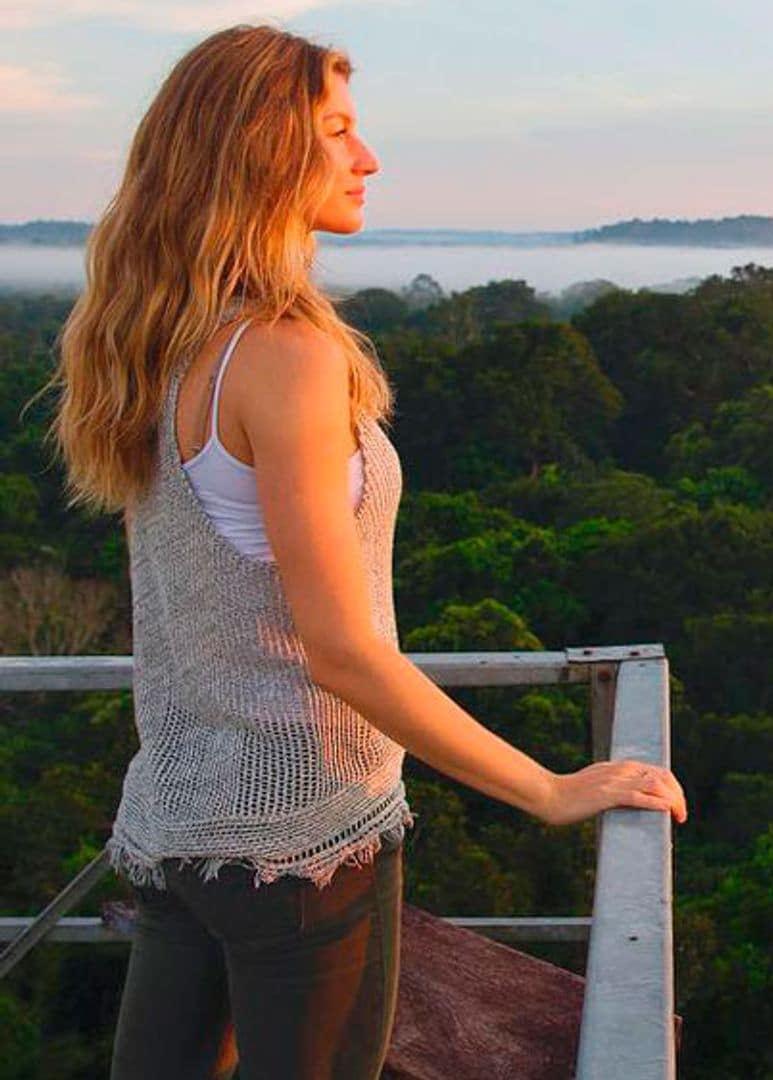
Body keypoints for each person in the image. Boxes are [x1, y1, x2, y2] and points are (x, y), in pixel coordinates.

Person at [45, 24, 687, 1080]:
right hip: (305, 837)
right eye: (337, 130)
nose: (368, 157)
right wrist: (549, 787)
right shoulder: (283, 354)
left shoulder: (159, 342)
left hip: (181, 823)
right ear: (261, 150)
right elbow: (340, 651)